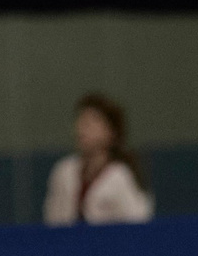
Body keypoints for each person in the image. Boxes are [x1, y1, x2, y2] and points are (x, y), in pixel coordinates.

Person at [42, 92, 152, 226]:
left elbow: (138, 222)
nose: (82, 128)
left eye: (91, 122)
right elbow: (52, 221)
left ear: (111, 132)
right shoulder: (64, 171)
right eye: (81, 120)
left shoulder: (121, 176)